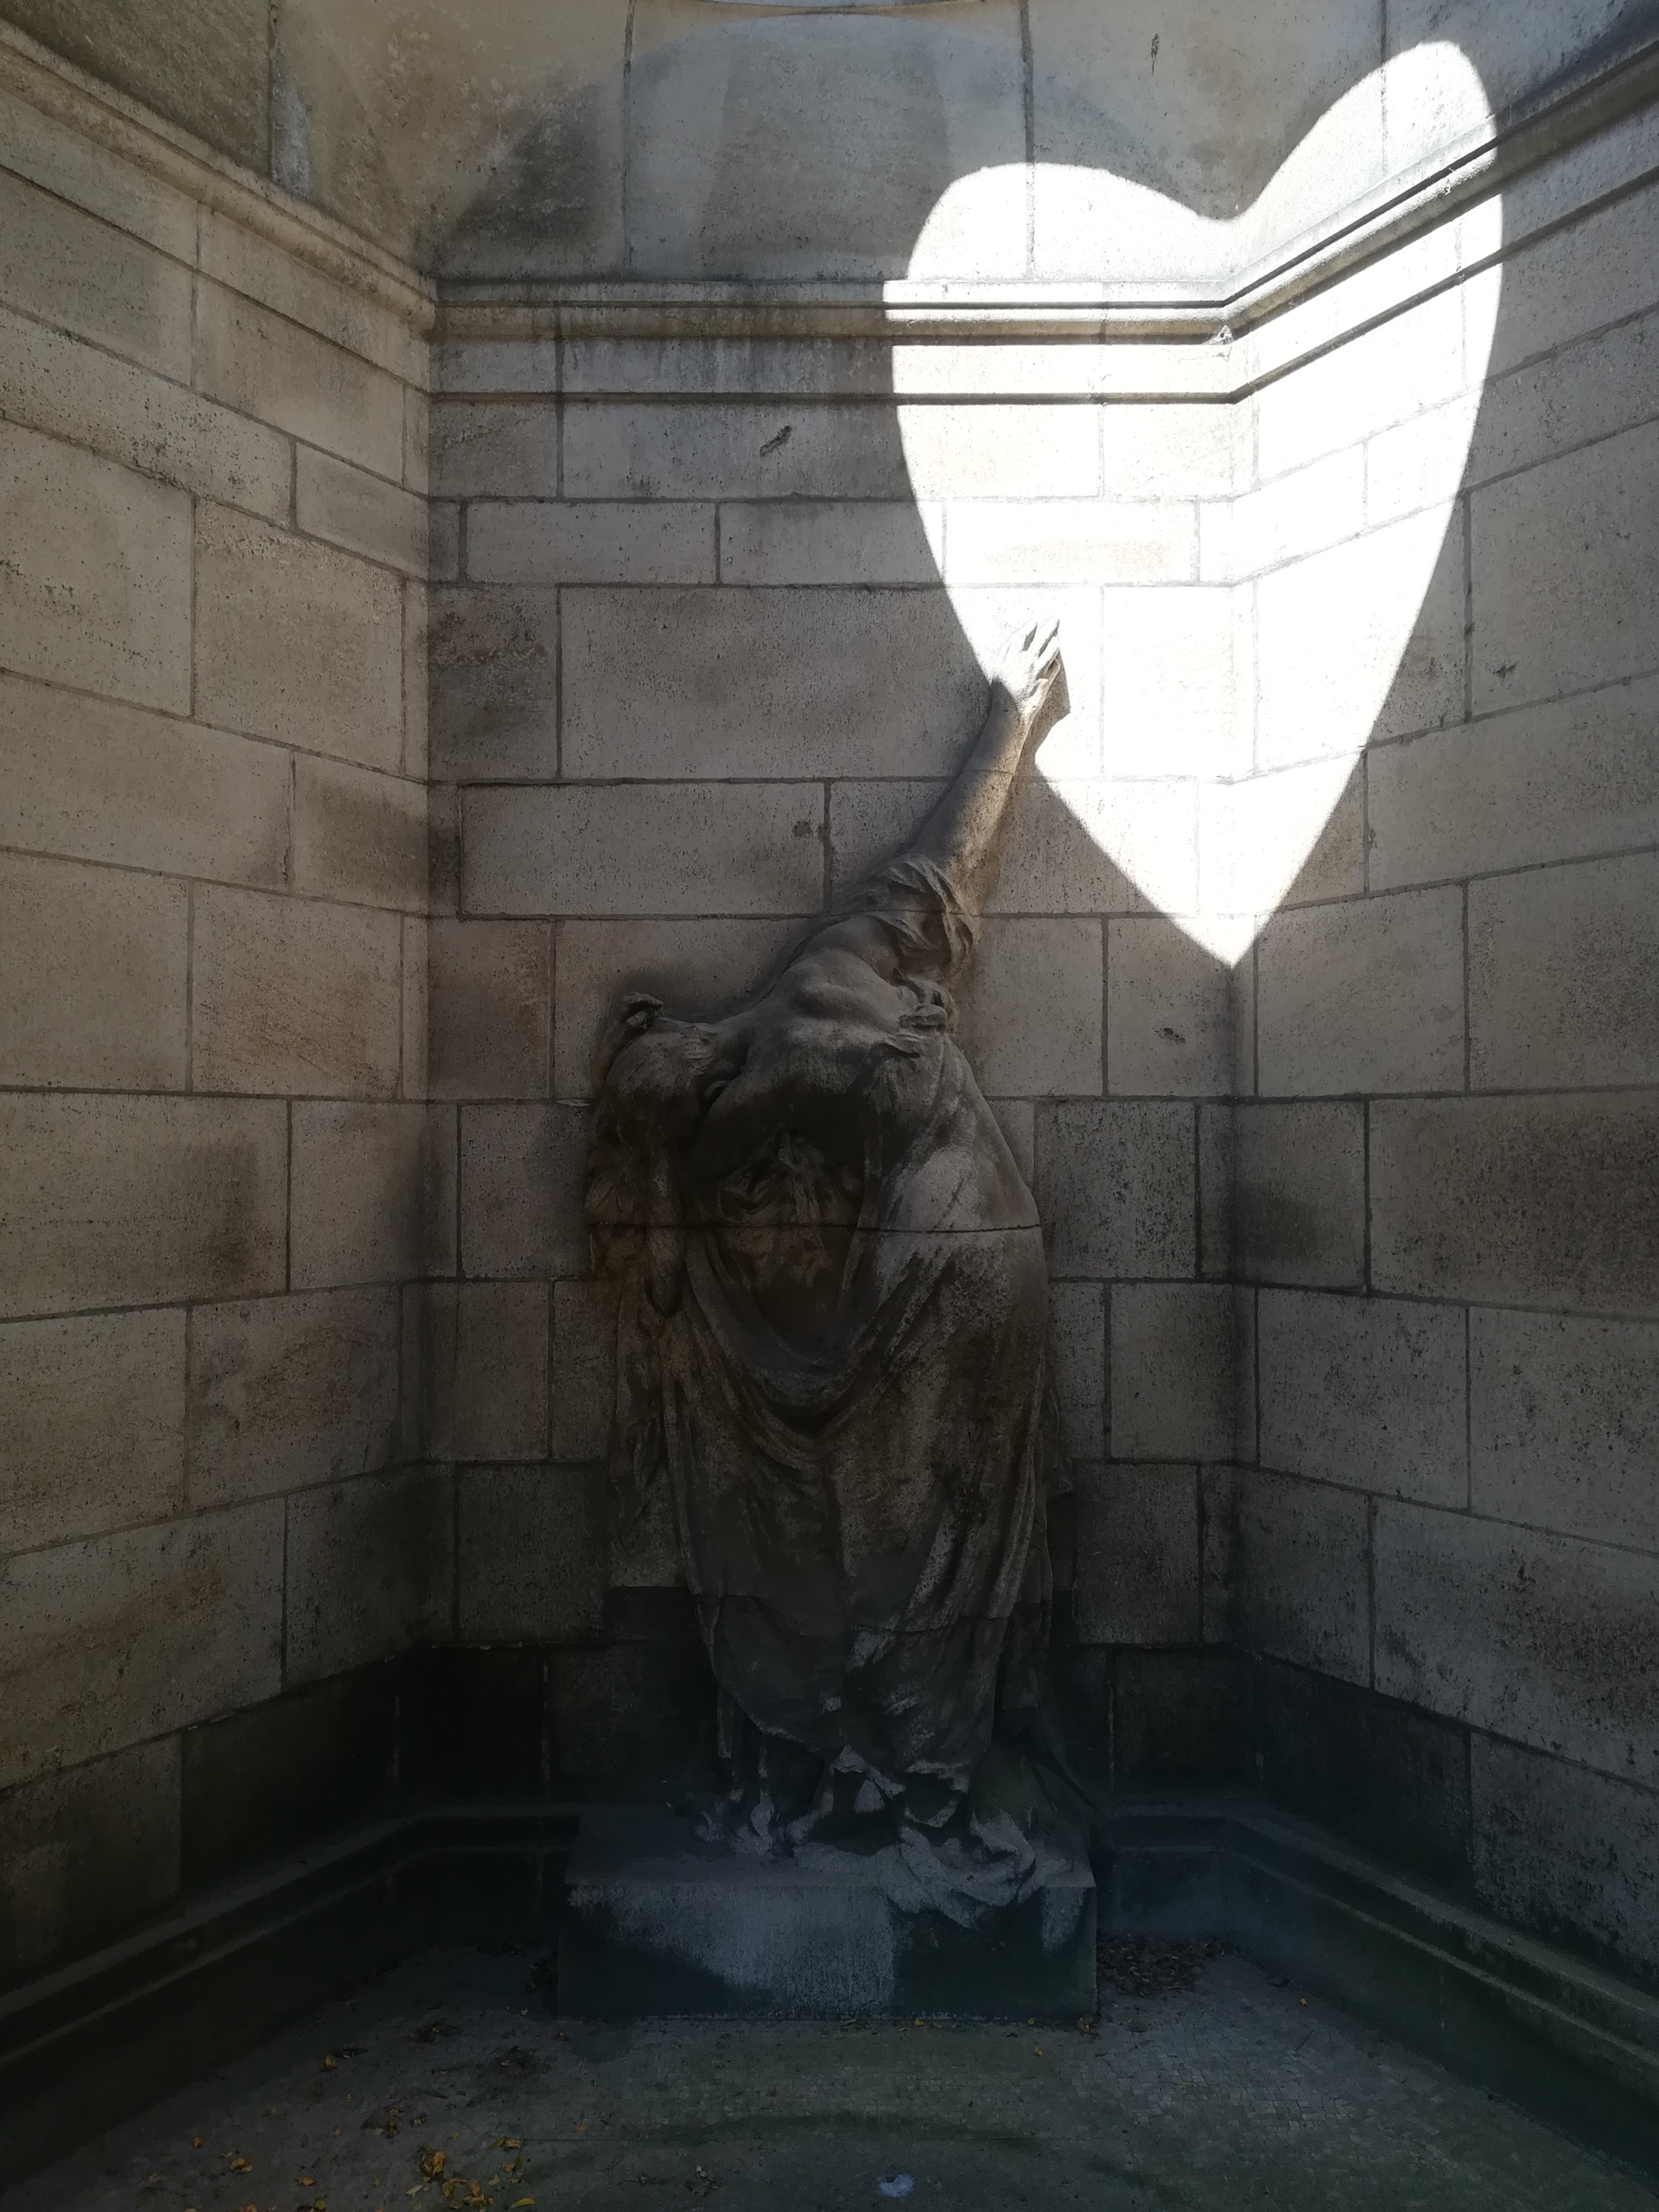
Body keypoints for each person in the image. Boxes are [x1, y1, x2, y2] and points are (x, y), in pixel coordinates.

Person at [587, 620, 1072, 1914]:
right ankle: (913, 1773)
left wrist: (660, 1188)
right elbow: (937, 872)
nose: (678, 1082)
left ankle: (913, 1779)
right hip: (979, 1255)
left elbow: (669, 1272)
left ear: (679, 1041)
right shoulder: (820, 978)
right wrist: (1010, 720)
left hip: (950, 1277)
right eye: (663, 1097)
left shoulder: (756, 1085)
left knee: (922, 1543)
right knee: (932, 1536)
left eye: (660, 1074)